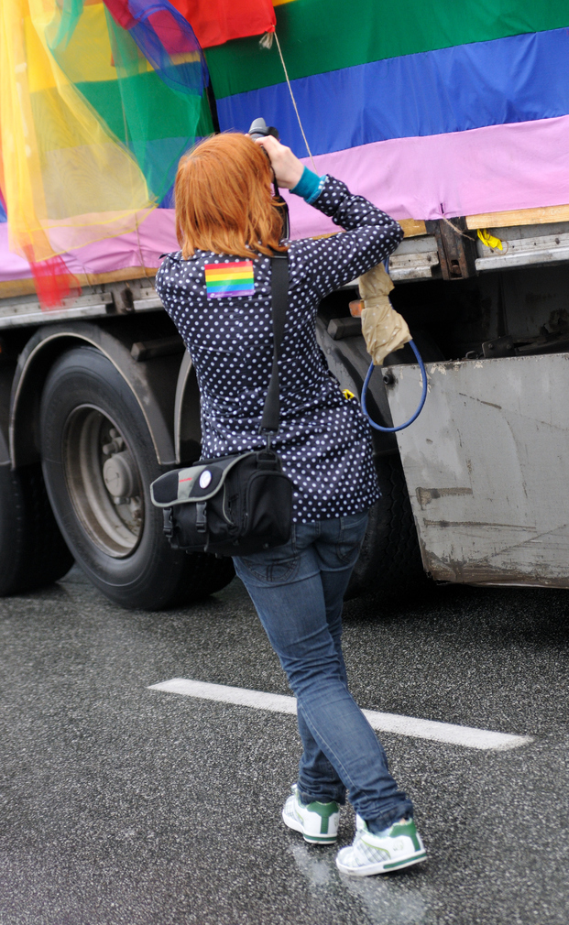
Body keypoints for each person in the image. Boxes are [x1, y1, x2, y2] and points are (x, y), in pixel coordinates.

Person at [155, 131, 427, 877]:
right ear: (257, 194)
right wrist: (296, 175)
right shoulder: (298, 268)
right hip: (339, 487)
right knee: (322, 659)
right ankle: (314, 800)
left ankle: (388, 820)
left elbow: (221, 273)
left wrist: (241, 175)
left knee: (312, 672)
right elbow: (379, 230)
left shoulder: (177, 283)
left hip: (257, 503)